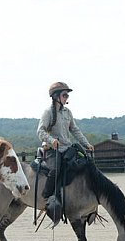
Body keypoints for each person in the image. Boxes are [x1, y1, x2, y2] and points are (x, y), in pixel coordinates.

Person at [37, 82, 94, 226]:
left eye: (67, 95)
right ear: (56, 96)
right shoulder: (48, 112)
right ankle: (47, 198)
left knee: (84, 164)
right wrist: (51, 140)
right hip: (52, 150)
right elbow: (40, 131)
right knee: (56, 169)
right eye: (64, 94)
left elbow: (75, 130)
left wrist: (86, 144)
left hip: (67, 148)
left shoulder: (68, 112)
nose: (66, 97)